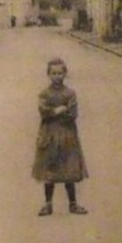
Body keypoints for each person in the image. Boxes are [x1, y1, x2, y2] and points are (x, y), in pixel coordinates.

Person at [32, 58, 88, 216]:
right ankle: (48, 204)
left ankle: (73, 203)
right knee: (49, 170)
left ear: (65, 74)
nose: (57, 76)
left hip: (67, 135)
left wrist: (57, 112)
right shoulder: (44, 94)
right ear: (48, 74)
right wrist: (57, 110)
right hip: (49, 135)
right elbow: (44, 111)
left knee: (69, 168)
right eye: (54, 73)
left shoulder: (70, 93)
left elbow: (72, 113)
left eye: (60, 73)